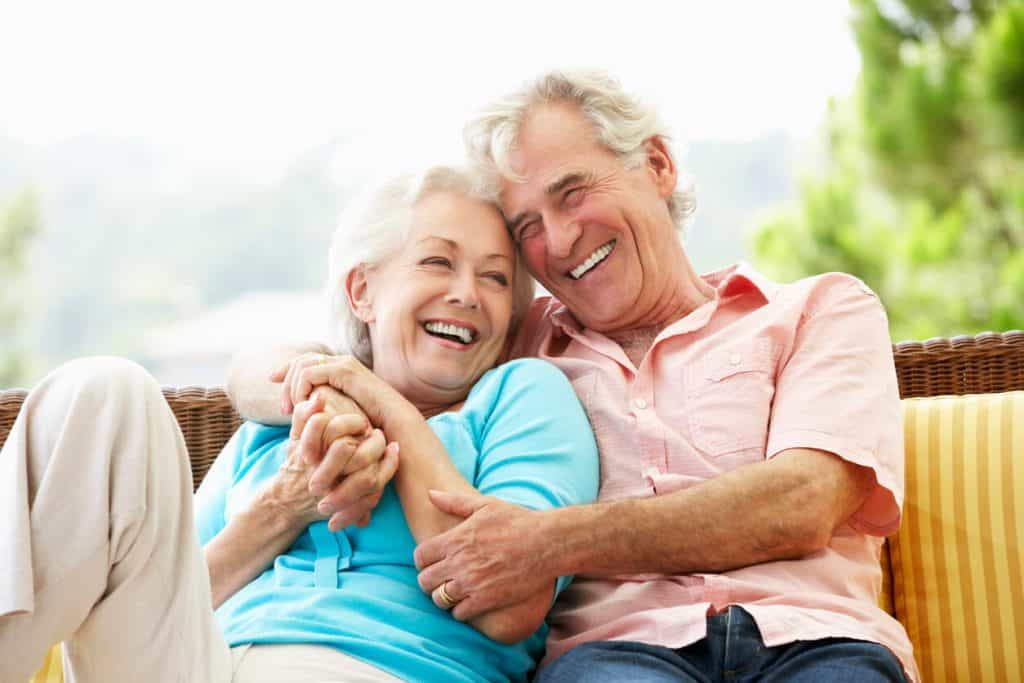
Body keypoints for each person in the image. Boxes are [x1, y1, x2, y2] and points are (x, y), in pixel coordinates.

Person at [230, 70, 919, 682]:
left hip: (814, 640)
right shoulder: (520, 343)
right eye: (529, 223)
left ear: (656, 164)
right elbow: (316, 357)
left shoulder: (820, 309)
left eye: (573, 193)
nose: (557, 242)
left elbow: (802, 501)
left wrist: (548, 541)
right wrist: (320, 391)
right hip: (619, 654)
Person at [0, 166, 599, 682]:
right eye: (438, 262)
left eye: (495, 278)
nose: (467, 293)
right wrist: (286, 506)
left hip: (382, 669)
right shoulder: (286, 418)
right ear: (363, 291)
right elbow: (167, 597)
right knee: (103, 391)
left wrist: (383, 409)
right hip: (198, 662)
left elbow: (507, 607)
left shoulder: (522, 397)